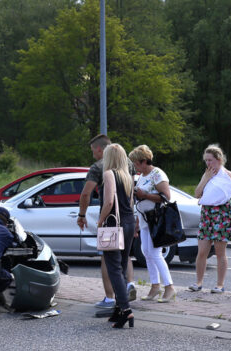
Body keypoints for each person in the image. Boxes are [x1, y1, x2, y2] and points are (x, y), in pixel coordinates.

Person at [77, 134, 136, 308]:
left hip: (112, 221)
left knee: (109, 261)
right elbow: (131, 195)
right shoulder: (129, 166)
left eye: (93, 151)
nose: (93, 155)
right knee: (124, 259)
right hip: (128, 218)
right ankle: (129, 285)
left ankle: (113, 299)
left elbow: (88, 194)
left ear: (100, 150)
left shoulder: (101, 169)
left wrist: (88, 217)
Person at [128, 145, 176, 303]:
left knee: (155, 253)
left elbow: (166, 196)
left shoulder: (157, 174)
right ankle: (155, 286)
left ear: (143, 161)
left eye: (135, 163)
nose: (134, 166)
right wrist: (136, 222)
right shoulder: (142, 175)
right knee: (146, 252)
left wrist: (145, 195)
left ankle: (169, 287)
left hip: (155, 219)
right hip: (144, 220)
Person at [96, 143, 136, 328]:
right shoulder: (128, 176)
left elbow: (109, 201)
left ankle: (125, 310)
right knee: (121, 263)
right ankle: (119, 310)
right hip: (128, 222)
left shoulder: (109, 174)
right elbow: (130, 201)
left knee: (113, 267)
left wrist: (100, 221)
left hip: (113, 223)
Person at [190, 144, 231, 294]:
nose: (208, 164)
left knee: (220, 252)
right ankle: (198, 282)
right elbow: (197, 193)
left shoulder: (227, 174)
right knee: (202, 250)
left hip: (221, 213)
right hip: (207, 213)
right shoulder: (206, 175)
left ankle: (220, 284)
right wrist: (206, 179)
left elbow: (227, 194)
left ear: (219, 159)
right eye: (206, 161)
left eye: (210, 160)